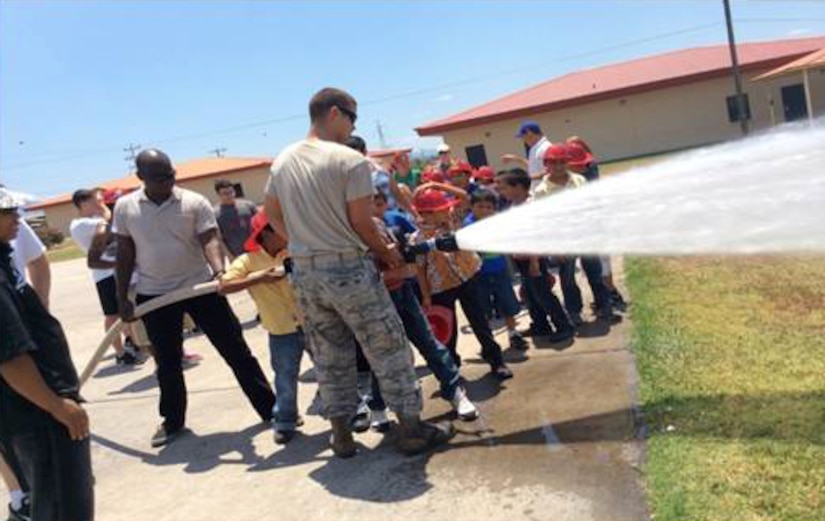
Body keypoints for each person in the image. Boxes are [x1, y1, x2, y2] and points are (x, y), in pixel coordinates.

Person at [265, 87, 454, 458]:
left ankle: (342, 437)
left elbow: (272, 215)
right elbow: (362, 223)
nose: (353, 126)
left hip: (306, 275)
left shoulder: (283, 160)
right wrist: (388, 254)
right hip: (348, 269)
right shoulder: (349, 161)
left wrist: (303, 242)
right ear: (336, 113)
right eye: (352, 117)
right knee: (389, 348)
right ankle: (412, 431)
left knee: (330, 356)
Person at [114, 148, 275, 447]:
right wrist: (122, 297)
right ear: (141, 178)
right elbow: (125, 253)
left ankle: (271, 409)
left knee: (236, 349)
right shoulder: (125, 207)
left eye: (171, 174)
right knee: (168, 362)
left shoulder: (193, 201)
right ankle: (173, 422)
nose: (168, 181)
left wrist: (219, 273)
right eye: (160, 177)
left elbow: (209, 239)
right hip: (155, 295)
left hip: (200, 287)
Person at [0, 189, 94, 521]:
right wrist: (57, 406)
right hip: (39, 417)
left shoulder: (5, 262)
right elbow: (10, 358)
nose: (17, 219)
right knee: (61, 507)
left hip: (41, 410)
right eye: (8, 212)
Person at [366, 190, 479, 424]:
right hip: (374, 299)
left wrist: (401, 259)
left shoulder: (378, 224)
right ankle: (377, 408)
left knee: (430, 344)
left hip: (402, 292)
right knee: (383, 354)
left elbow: (404, 263)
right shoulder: (342, 232)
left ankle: (455, 392)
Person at [219, 213, 305, 444]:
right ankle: (286, 421)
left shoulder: (295, 250)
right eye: (280, 227)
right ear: (265, 233)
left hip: (310, 322)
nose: (287, 231)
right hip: (281, 327)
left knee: (331, 369)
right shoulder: (247, 262)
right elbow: (224, 286)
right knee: (285, 377)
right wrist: (259, 278)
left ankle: (348, 410)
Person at [410, 187, 513, 379]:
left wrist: (434, 185)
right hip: (440, 288)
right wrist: (425, 296)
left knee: (480, 322)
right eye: (442, 209)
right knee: (447, 331)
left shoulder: (452, 222)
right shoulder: (417, 239)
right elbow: (420, 270)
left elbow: (465, 197)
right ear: (427, 214)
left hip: (467, 278)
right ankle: (452, 370)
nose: (447, 211)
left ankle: (496, 362)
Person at [534, 145, 619, 324]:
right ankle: (574, 311)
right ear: (546, 165)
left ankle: (605, 307)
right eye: (553, 163)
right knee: (568, 279)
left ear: (568, 163)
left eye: (562, 162)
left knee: (595, 273)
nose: (558, 166)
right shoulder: (542, 191)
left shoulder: (579, 180)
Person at [495, 168, 576, 343]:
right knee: (530, 295)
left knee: (543, 294)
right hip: (521, 259)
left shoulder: (530, 205)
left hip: (534, 258)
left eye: (504, 187)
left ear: (518, 187)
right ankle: (540, 325)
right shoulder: (513, 205)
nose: (501, 192)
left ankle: (564, 326)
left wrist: (534, 263)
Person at [70, 188, 144, 366]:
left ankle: (131, 341)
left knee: (127, 310)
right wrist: (105, 211)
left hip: (117, 272)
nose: (101, 203)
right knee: (112, 315)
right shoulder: (80, 224)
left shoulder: (94, 220)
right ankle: (119, 352)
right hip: (104, 274)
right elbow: (107, 222)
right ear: (83, 203)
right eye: (97, 200)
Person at [566, 137, 629, 311]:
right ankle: (605, 296)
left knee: (602, 265)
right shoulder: (588, 169)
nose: (583, 165)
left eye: (583, 162)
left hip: (596, 227)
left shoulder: (584, 176)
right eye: (579, 163)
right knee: (593, 268)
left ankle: (612, 294)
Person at [463, 188, 527, 350]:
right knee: (483, 309)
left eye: (489, 207)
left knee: (507, 303)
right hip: (478, 274)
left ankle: (514, 333)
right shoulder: (468, 224)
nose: (485, 210)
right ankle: (488, 341)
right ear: (471, 206)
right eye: (480, 206)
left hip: (500, 270)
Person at [213, 179, 258, 260]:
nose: (230, 195)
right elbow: (219, 239)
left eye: (231, 192)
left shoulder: (249, 206)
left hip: (257, 252)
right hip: (236, 257)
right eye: (225, 193)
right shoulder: (215, 214)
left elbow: (261, 227)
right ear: (218, 195)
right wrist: (230, 257)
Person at [501, 121, 552, 189]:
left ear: (529, 133)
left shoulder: (546, 147)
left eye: (523, 136)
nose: (523, 140)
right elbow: (534, 167)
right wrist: (515, 158)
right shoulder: (535, 148)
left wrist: (527, 179)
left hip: (549, 189)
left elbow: (553, 171)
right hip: (540, 189)